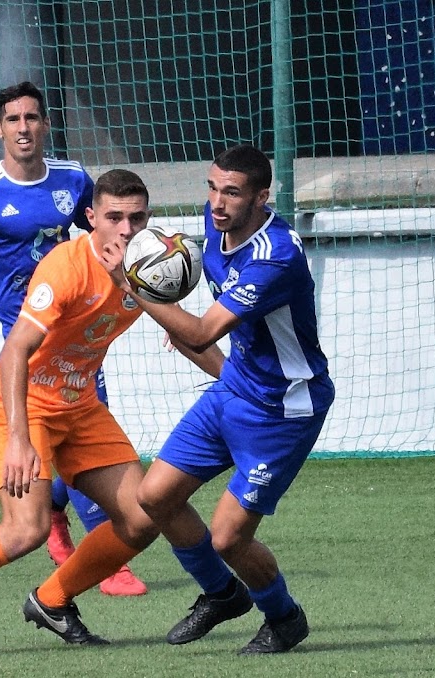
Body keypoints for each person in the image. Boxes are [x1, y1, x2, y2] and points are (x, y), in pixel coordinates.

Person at [0, 169, 225, 661]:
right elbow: (15, 351)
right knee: (26, 529)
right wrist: (20, 439)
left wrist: (237, 384)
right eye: (114, 218)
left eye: (137, 217)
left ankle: (52, 600)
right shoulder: (66, 266)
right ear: (91, 219)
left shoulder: (148, 270)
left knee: (141, 516)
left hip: (80, 407)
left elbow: (191, 336)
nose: (126, 230)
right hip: (22, 408)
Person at [0, 81, 145, 596]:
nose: (24, 128)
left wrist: (158, 298)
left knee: (82, 437)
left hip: (73, 334)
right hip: (15, 344)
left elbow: (109, 232)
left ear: (45, 125)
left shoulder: (73, 179)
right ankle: (69, 535)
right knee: (38, 467)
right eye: (13, 120)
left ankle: (91, 546)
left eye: (32, 118)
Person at [103, 144, 334, 654]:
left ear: (262, 196)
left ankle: (284, 618)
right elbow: (198, 305)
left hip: (284, 409)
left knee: (229, 537)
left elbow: (205, 330)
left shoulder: (278, 256)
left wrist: (134, 284)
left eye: (231, 191)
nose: (217, 201)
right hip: (235, 388)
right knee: (155, 496)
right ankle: (222, 594)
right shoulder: (215, 228)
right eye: (212, 187)